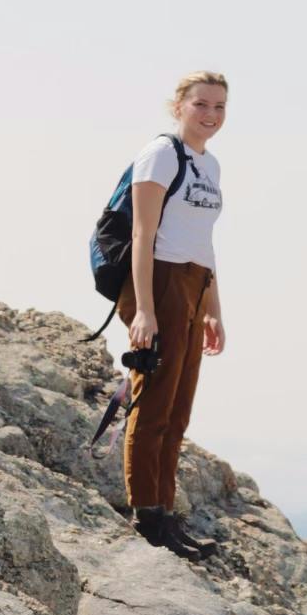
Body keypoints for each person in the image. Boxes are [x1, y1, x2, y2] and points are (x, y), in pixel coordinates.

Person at [119, 71, 228, 557]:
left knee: (179, 408)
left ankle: (165, 512)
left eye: (219, 107)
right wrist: (144, 309)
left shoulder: (211, 166)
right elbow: (143, 236)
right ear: (179, 105)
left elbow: (204, 243)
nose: (210, 115)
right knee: (155, 402)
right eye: (201, 104)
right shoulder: (161, 155)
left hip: (194, 284)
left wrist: (213, 309)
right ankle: (146, 516)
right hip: (160, 282)